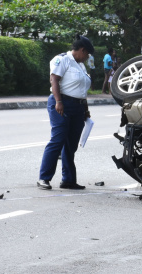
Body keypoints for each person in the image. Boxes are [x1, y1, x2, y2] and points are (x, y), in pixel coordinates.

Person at [37, 34, 94, 190]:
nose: (87, 57)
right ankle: (44, 178)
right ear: (81, 50)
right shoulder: (62, 60)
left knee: (71, 144)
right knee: (58, 140)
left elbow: (82, 90)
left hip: (77, 107)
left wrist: (86, 110)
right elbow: (54, 79)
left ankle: (68, 180)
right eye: (87, 53)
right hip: (61, 104)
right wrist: (58, 101)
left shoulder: (81, 65)